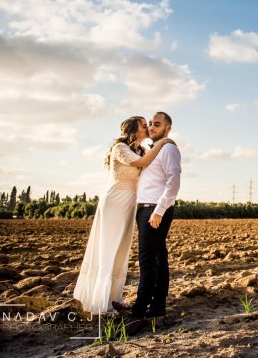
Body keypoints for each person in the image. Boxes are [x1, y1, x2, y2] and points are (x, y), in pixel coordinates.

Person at [74, 116, 175, 314]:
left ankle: (114, 297)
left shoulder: (141, 149)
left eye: (150, 124)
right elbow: (142, 163)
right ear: (134, 129)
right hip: (115, 201)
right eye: (144, 125)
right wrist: (163, 141)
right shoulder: (120, 149)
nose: (148, 127)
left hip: (130, 204)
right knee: (109, 246)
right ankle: (99, 300)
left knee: (121, 248)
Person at [121, 111, 181, 323]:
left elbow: (174, 182)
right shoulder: (155, 150)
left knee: (147, 261)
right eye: (151, 124)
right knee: (158, 259)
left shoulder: (169, 149)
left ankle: (137, 314)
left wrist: (158, 211)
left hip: (154, 210)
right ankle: (157, 309)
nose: (152, 127)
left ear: (167, 128)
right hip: (146, 209)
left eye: (157, 124)